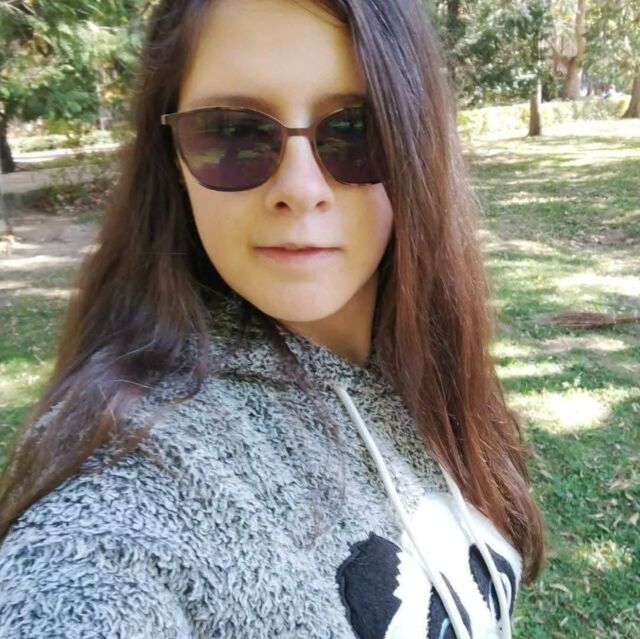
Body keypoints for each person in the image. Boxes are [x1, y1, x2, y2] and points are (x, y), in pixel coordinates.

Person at [0, 0, 545, 637]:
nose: (300, 188)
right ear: (173, 158)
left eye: (357, 129)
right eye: (233, 131)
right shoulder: (129, 484)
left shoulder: (428, 365)